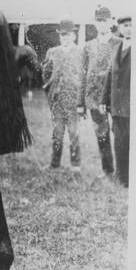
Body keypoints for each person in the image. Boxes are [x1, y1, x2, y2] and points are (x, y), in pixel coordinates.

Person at [77, 6, 120, 178]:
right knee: (102, 135)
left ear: (111, 22)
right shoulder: (88, 46)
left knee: (120, 134)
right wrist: (80, 103)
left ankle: (123, 170)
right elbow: (82, 74)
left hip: (115, 97)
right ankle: (108, 170)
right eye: (99, 20)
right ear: (95, 23)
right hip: (94, 98)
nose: (102, 24)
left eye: (105, 20)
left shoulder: (119, 43)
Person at [42, 19, 83, 172]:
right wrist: (50, 91)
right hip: (57, 100)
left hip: (73, 100)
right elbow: (45, 74)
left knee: (73, 133)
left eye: (68, 35)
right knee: (57, 134)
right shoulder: (52, 52)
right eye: (62, 35)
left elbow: (83, 77)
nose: (65, 38)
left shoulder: (80, 52)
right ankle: (54, 164)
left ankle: (76, 165)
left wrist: (81, 102)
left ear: (74, 36)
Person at [101, 15, 131, 187]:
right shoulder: (118, 47)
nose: (128, 28)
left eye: (131, 25)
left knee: (130, 141)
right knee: (119, 140)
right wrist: (104, 98)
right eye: (124, 25)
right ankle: (122, 177)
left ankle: (131, 178)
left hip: (133, 105)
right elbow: (109, 74)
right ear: (119, 28)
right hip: (117, 105)